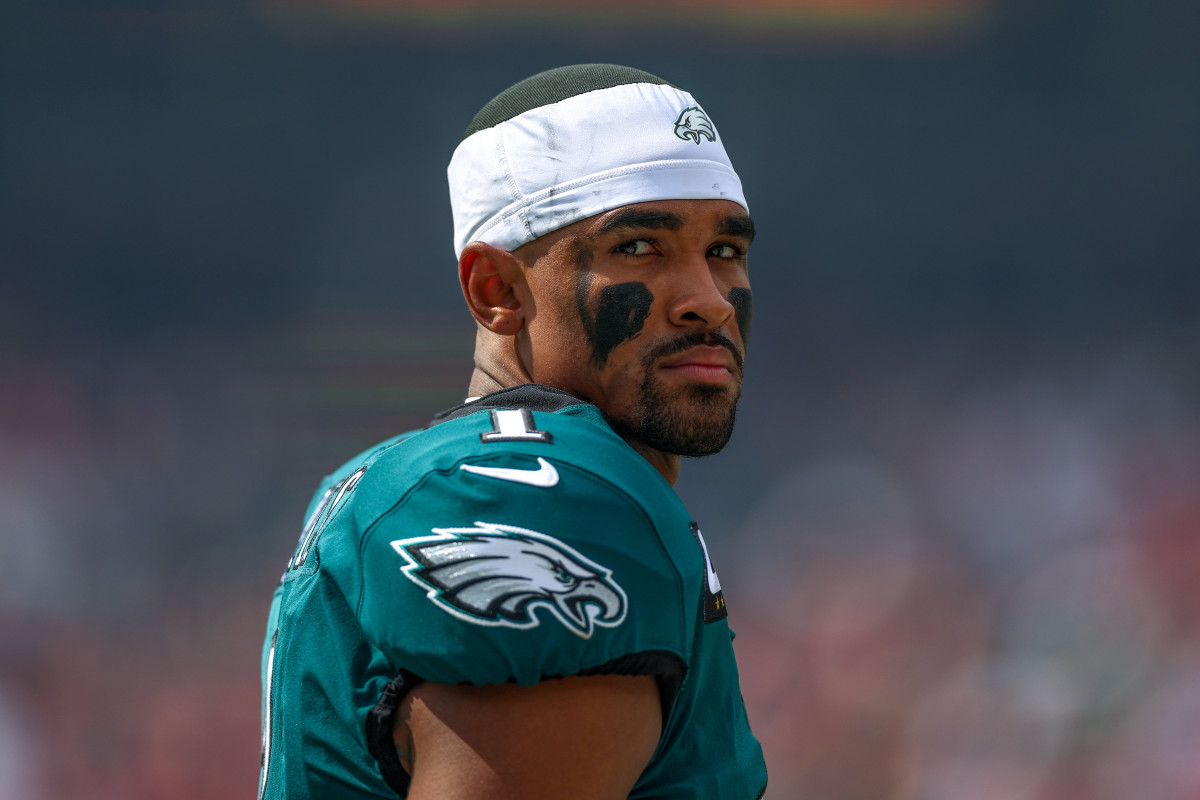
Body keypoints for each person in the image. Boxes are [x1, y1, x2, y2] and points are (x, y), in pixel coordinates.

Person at [259, 63, 767, 800]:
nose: (710, 301)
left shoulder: (403, 478)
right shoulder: (544, 498)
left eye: (725, 251)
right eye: (639, 247)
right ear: (496, 291)